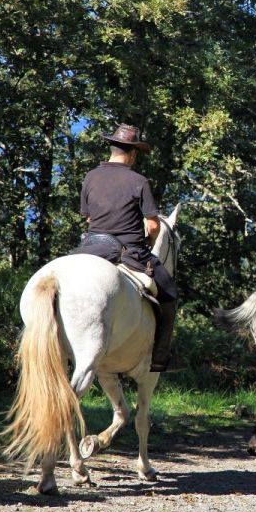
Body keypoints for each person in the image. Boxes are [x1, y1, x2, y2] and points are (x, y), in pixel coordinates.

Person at [79, 124, 178, 373]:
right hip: (128, 249)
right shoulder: (138, 181)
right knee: (169, 293)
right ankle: (160, 357)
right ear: (132, 153)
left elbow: (89, 219)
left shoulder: (90, 177)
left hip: (89, 247)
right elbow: (153, 225)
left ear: (112, 148)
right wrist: (149, 238)